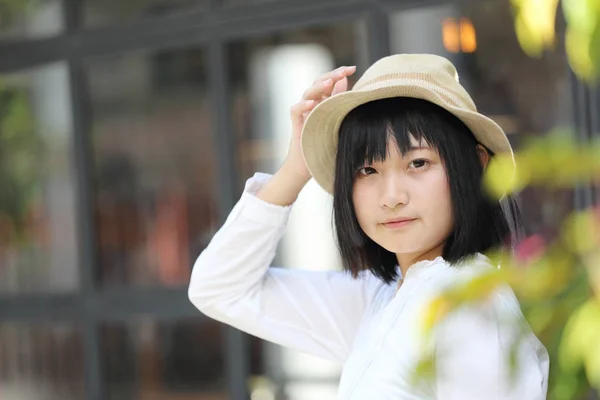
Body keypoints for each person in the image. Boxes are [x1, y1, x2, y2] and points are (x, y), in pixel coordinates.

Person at [188, 54, 549, 399]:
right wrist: (295, 170)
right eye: (367, 170)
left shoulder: (471, 305)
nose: (391, 196)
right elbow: (219, 289)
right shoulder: (378, 300)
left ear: (476, 164)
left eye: (418, 163)